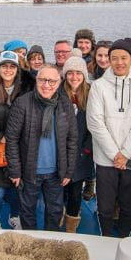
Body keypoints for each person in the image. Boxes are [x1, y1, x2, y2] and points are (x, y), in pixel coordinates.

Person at [86, 38, 131, 237]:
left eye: (124, 58)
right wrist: (115, 154)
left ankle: (124, 236)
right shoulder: (98, 86)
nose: (119, 62)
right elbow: (95, 123)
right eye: (114, 58)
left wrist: (125, 154)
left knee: (129, 205)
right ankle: (106, 237)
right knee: (105, 206)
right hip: (106, 159)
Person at [4, 63, 77, 231]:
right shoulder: (22, 103)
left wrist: (69, 170)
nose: (46, 85)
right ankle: (31, 243)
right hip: (29, 172)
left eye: (52, 81)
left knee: (55, 210)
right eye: (43, 80)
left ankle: (51, 243)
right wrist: (15, 170)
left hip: (56, 173)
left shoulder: (65, 105)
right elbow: (12, 139)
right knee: (27, 210)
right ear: (36, 80)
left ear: (59, 83)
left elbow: (72, 139)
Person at [0, 50, 35, 229]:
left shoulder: (28, 89)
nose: (8, 70)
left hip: (19, 149)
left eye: (12, 66)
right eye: (4, 66)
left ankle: (15, 215)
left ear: (18, 69)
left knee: (16, 187)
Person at [60, 56, 93, 233]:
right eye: (70, 73)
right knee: (60, 189)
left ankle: (71, 225)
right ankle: (59, 215)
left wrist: (86, 149)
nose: (74, 77)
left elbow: (96, 125)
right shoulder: (58, 93)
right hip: (60, 152)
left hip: (82, 153)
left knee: (75, 192)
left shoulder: (91, 95)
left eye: (78, 73)